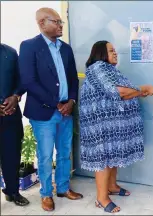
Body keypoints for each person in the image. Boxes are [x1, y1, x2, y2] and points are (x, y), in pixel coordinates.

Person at [79, 41, 153, 213]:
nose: (115, 53)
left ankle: (112, 186)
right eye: (111, 50)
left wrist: (138, 92)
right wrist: (143, 89)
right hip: (101, 126)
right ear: (100, 53)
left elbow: (126, 91)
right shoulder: (97, 68)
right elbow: (117, 92)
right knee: (104, 158)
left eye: (115, 50)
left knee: (113, 155)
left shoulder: (110, 70)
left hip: (112, 125)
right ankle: (101, 198)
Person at [18, 8, 83, 211]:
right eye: (56, 22)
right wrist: (57, 103)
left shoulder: (65, 48)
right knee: (45, 155)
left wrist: (71, 101)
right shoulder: (29, 46)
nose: (60, 25)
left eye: (61, 22)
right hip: (44, 111)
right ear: (41, 23)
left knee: (64, 152)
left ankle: (62, 188)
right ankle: (46, 193)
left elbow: (73, 79)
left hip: (66, 109)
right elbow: (29, 81)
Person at [0, 43, 30, 206]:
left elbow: (21, 79)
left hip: (10, 114)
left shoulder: (10, 53)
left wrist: (16, 96)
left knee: (11, 155)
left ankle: (12, 192)